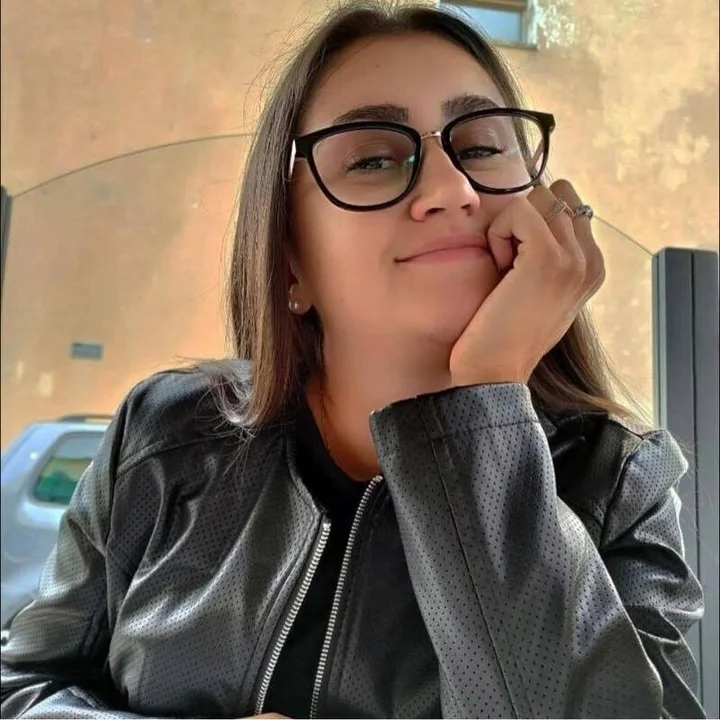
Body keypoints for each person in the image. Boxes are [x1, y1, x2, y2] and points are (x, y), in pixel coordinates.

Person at [0, 2, 705, 719]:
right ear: (290, 260)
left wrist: (487, 402)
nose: (451, 190)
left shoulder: (620, 485)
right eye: (372, 159)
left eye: (482, 148)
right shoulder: (164, 435)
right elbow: (23, 686)